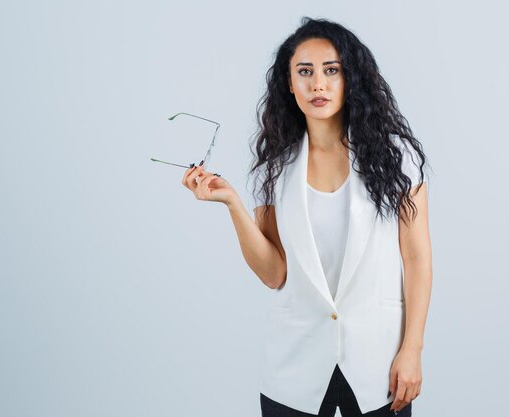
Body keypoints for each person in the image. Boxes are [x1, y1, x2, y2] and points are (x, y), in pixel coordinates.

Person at [181, 17, 432, 417]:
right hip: (294, 366)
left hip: (379, 362)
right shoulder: (274, 167)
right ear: (289, 83)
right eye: (305, 72)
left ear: (351, 78)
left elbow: (417, 259)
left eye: (332, 70)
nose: (318, 84)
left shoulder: (395, 157)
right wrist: (232, 204)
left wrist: (412, 348)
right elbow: (274, 274)